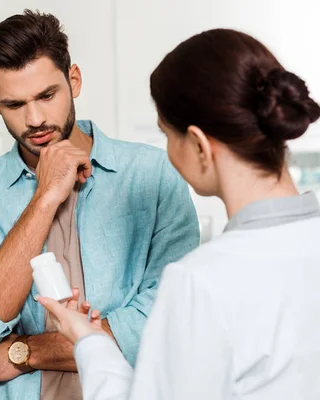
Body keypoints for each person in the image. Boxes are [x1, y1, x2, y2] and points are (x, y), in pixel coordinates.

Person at [39, 28, 320, 400]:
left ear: (200, 145)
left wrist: (88, 342)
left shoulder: (200, 281)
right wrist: (90, 337)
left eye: (167, 135)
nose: (168, 153)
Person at [0, 9, 200, 400]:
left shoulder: (154, 174)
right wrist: (44, 197)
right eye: (14, 104)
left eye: (47, 95)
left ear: (73, 81)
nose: (35, 118)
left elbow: (168, 322)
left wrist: (25, 352)